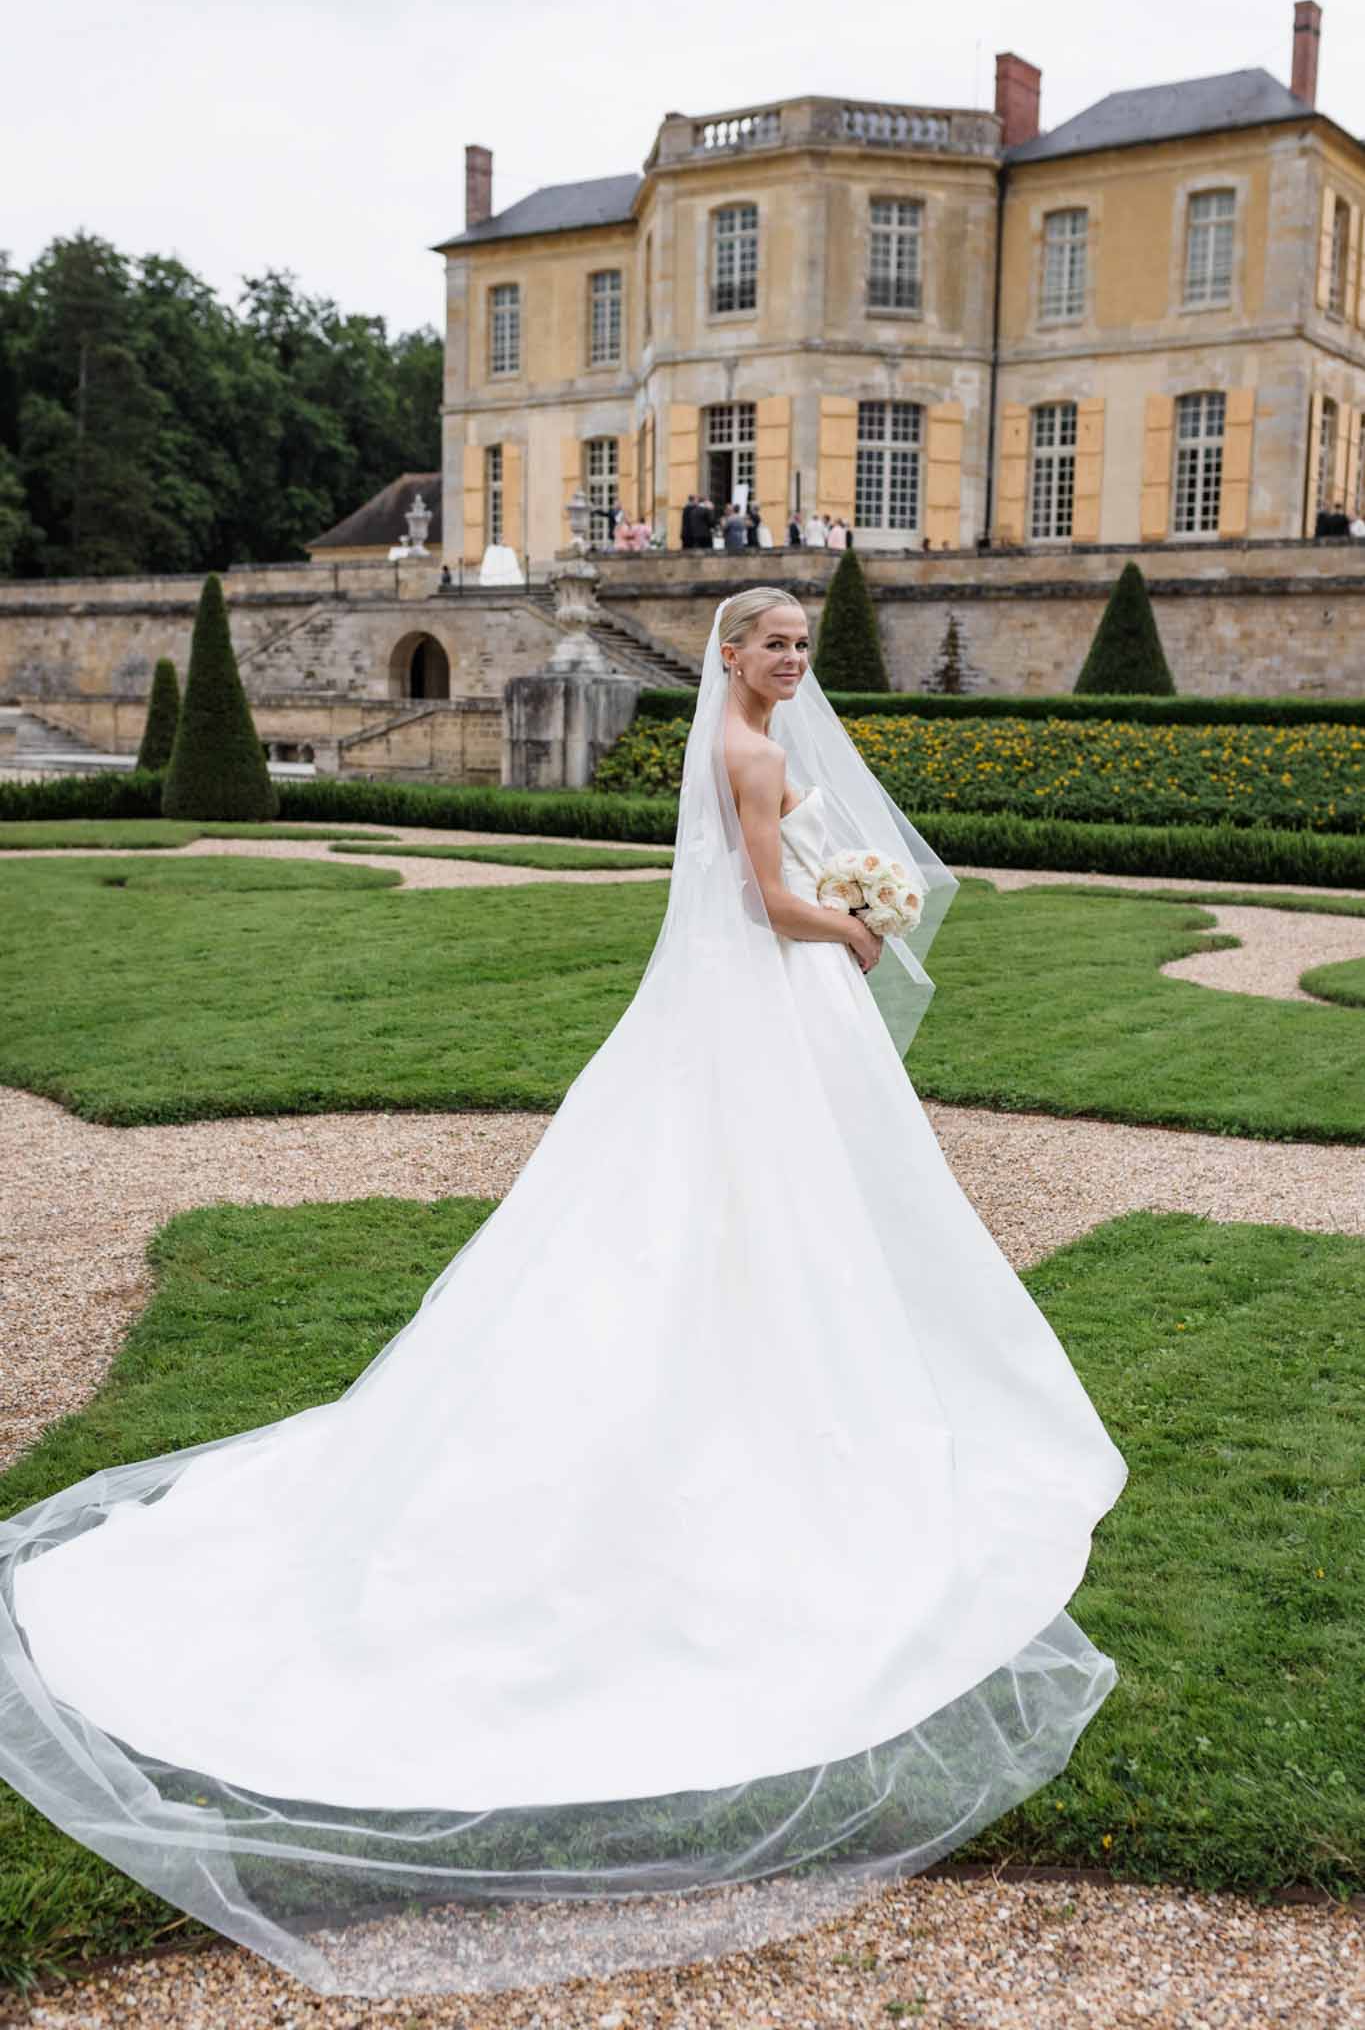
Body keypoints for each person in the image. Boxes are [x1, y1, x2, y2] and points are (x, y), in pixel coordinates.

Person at [0, 587, 1128, 2001]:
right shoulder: (756, 754)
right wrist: (847, 928)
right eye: (772, 645)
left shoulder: (742, 739)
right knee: (770, 1199)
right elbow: (768, 900)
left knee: (726, 1197)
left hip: (728, 1009)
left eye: (798, 646)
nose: (790, 661)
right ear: (730, 656)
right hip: (764, 994)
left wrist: (838, 915)